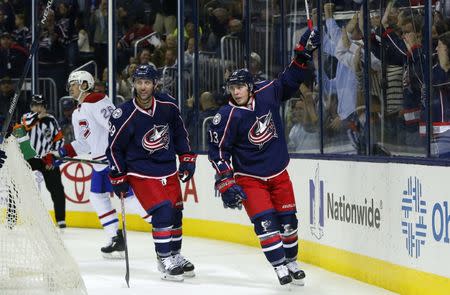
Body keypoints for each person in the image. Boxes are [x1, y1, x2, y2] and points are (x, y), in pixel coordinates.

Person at [207, 28, 320, 286]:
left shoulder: (268, 92)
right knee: (266, 224)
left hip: (278, 173)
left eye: (239, 87)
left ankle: (291, 261)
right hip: (250, 179)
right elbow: (218, 152)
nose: (235, 92)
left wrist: (303, 50)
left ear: (250, 86)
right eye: (232, 88)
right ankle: (279, 265)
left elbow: (290, 79)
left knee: (289, 223)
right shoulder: (224, 117)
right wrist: (226, 181)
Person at [106, 65, 197, 282]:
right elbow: (113, 148)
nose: (143, 87)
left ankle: (175, 254)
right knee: (163, 212)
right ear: (133, 84)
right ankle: (163, 258)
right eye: (139, 82)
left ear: (155, 83)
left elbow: (179, 134)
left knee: (176, 214)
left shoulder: (168, 105)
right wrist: (118, 176)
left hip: (167, 168)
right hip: (141, 171)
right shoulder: (123, 114)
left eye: (147, 82)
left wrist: (186, 157)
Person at [52, 70, 150, 258]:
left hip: (113, 160)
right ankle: (115, 238)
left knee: (130, 201)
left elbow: (117, 127)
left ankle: (164, 227)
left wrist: (123, 153)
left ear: (83, 84)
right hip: (99, 163)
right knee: (97, 197)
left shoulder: (97, 101)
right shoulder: (78, 112)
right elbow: (82, 143)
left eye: (73, 84)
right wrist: (61, 152)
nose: (70, 88)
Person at [20, 95, 67, 228]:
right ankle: (13, 216)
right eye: (35, 105)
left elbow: (59, 139)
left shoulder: (51, 120)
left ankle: (61, 220)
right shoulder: (26, 117)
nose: (38, 108)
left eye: (41, 105)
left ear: (45, 107)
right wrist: (38, 116)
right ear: (31, 107)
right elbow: (27, 125)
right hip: (30, 159)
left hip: (47, 160)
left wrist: (54, 157)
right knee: (18, 185)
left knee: (57, 189)